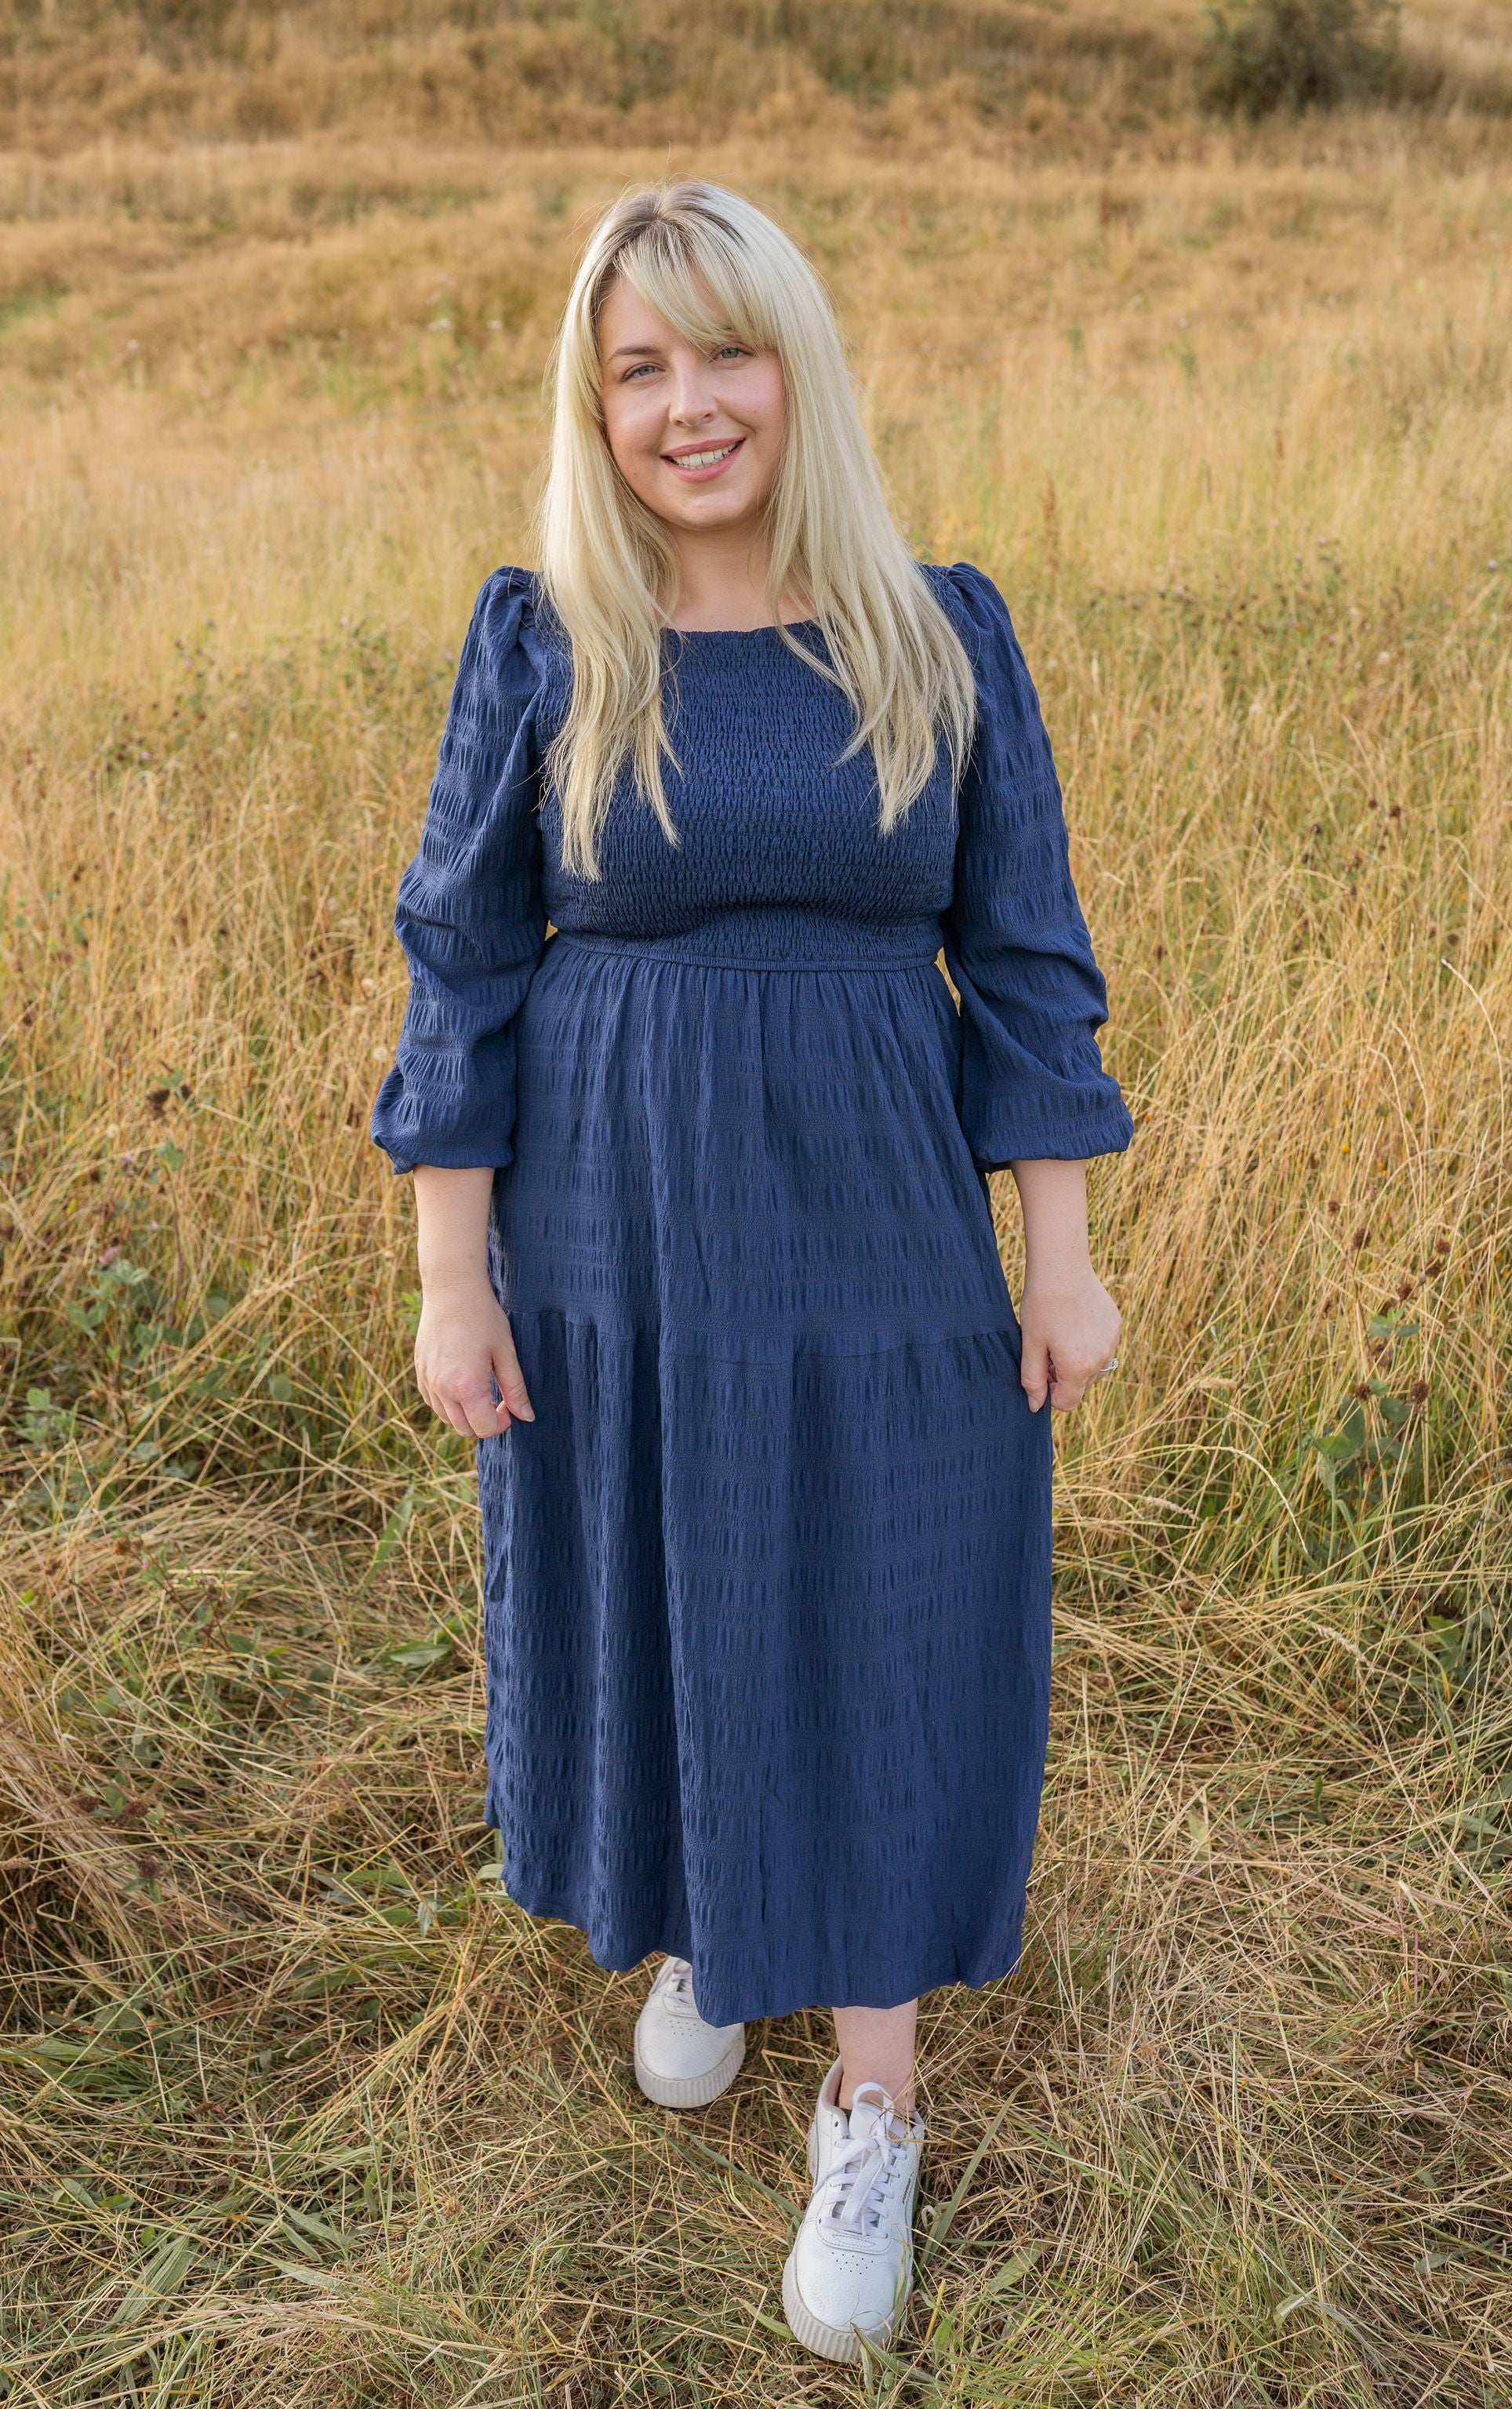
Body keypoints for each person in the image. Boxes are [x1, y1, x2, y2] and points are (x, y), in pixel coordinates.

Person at [371, 180, 1131, 2366]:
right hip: (610, 1225)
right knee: (670, 1562)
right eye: (639, 367)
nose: (687, 405)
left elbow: (1028, 966)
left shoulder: (936, 632)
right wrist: (452, 1277)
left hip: (880, 1211)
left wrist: (1057, 1261)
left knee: (877, 1594)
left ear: (797, 370)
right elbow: (462, 971)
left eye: (726, 353)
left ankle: (870, 2097)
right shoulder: (544, 642)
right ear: (593, 405)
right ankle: (710, 1922)